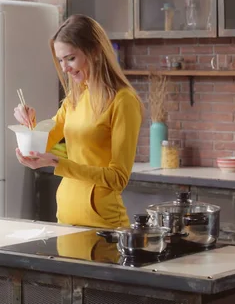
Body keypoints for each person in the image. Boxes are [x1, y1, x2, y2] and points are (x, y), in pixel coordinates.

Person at [15, 14, 143, 229]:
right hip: (65, 216)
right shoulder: (73, 100)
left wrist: (57, 163)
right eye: (60, 60)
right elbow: (39, 146)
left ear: (94, 51)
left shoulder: (123, 101)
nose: (64, 68)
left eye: (71, 58)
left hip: (102, 223)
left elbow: (118, 178)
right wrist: (29, 124)